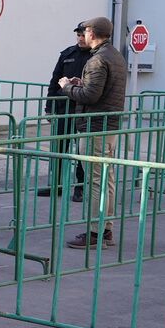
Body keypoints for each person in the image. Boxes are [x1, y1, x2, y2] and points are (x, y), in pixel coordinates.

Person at [60, 16, 127, 249]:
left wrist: (67, 87)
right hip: (109, 126)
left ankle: (95, 232)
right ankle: (105, 229)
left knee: (94, 181)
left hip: (94, 127)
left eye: (85, 30)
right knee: (106, 179)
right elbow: (98, 89)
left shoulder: (98, 60)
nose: (83, 34)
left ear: (92, 33)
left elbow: (91, 97)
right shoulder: (114, 55)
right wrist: (82, 83)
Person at [39, 23, 91, 202]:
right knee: (59, 148)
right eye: (78, 35)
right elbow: (54, 81)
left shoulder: (95, 56)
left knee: (82, 151)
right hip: (64, 108)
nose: (80, 38)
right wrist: (49, 108)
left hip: (84, 109)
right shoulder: (67, 54)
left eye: (83, 35)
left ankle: (80, 187)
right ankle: (56, 186)